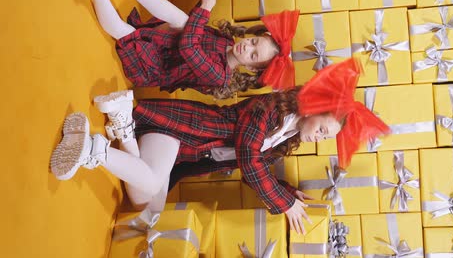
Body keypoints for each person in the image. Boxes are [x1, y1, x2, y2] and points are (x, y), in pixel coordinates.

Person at [49, 59, 389, 234]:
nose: (320, 138)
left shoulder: (288, 136)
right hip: (179, 132)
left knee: (146, 208)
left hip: (183, 156)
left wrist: (285, 189)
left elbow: (253, 169)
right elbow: (247, 156)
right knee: (150, 184)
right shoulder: (270, 108)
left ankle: (122, 129)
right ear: (315, 108)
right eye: (324, 129)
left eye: (328, 138)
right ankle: (94, 149)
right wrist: (281, 202)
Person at [77, 0, 298, 97]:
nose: (246, 47)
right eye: (253, 42)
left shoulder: (219, 75)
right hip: (163, 43)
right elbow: (194, 26)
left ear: (250, 68)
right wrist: (205, 2)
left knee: (131, 33)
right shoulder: (227, 41)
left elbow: (189, 47)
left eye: (253, 55)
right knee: (183, 20)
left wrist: (208, 7)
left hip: (154, 65)